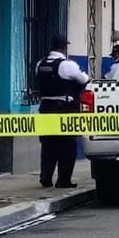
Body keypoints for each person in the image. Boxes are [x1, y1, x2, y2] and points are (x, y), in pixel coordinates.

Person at [35, 35, 90, 189]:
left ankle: (45, 177)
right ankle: (63, 180)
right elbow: (84, 80)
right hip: (64, 109)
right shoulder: (67, 65)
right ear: (64, 47)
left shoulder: (40, 64)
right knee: (67, 146)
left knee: (48, 145)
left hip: (45, 108)